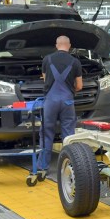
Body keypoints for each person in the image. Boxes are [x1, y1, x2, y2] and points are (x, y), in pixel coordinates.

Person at [39, 36, 83, 177]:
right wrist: (69, 92)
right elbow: (80, 86)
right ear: (69, 46)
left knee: (46, 133)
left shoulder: (47, 59)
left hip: (50, 102)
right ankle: (70, 166)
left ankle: (43, 167)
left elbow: (46, 80)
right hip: (67, 102)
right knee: (68, 134)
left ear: (56, 45)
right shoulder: (75, 62)